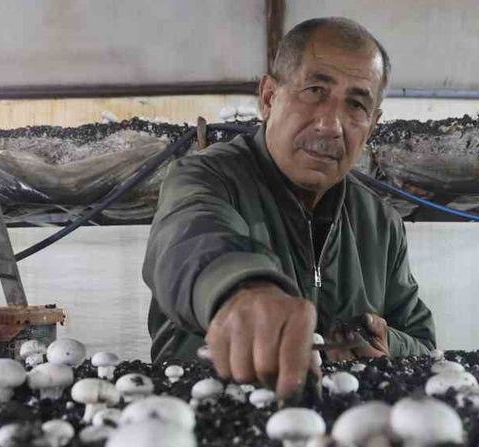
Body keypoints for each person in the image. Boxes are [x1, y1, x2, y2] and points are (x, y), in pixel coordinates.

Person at [142, 16, 435, 398]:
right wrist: (243, 291)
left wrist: (388, 343)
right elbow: (187, 239)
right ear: (269, 97)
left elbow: (424, 345)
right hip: (215, 417)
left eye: (356, 105)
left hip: (342, 422)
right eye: (315, 91)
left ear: (373, 124)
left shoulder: (380, 223)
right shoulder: (208, 178)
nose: (331, 125)